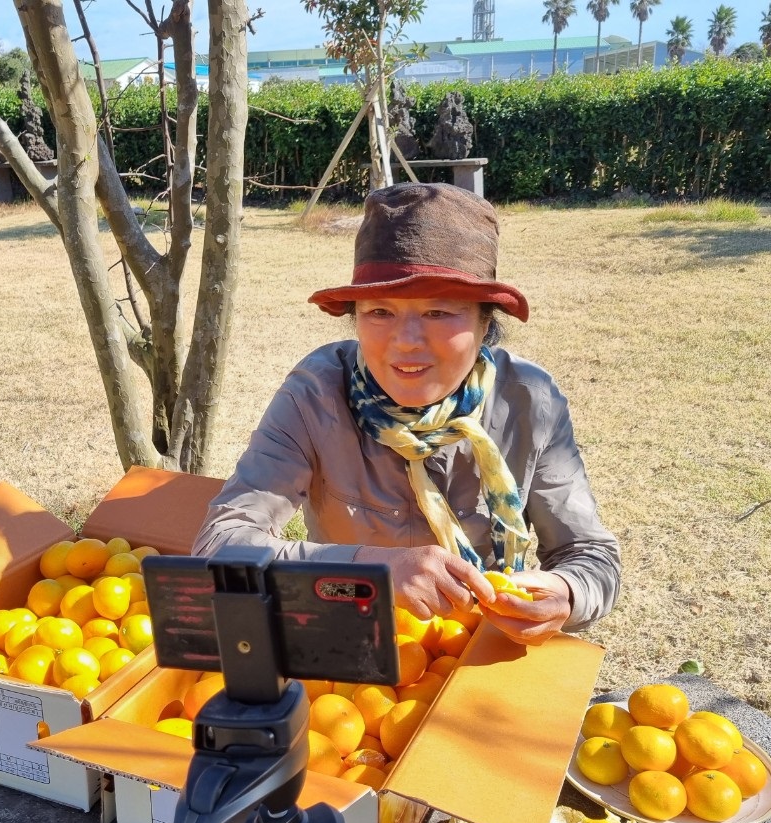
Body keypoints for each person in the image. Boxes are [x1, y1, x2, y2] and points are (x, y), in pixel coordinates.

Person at [193, 183, 619, 644]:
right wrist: (371, 571)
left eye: (438, 312)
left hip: (477, 641)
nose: (407, 340)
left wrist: (565, 591)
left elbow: (589, 554)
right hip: (350, 636)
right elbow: (220, 546)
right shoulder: (315, 394)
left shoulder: (528, 400)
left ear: (485, 323)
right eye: (379, 311)